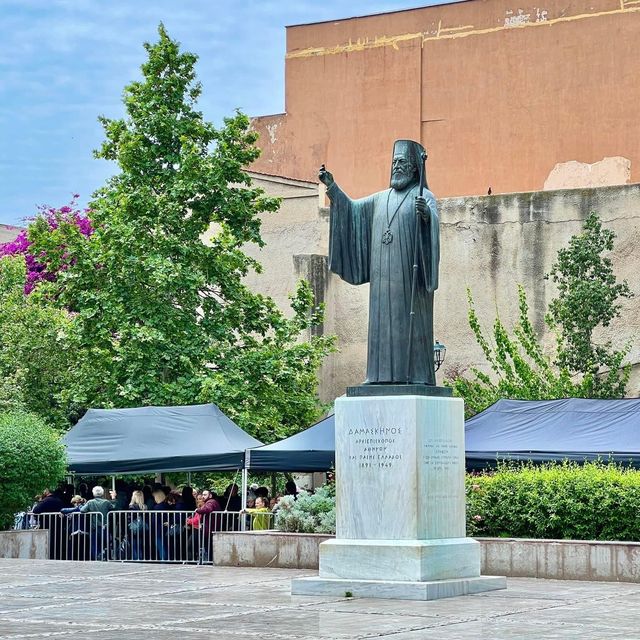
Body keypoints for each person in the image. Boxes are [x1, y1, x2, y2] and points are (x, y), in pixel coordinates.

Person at [319, 139, 440, 385]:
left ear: (415, 168)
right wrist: (332, 188)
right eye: (394, 162)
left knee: (410, 324)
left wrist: (427, 217)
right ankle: (377, 377)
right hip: (381, 283)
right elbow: (351, 212)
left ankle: (415, 376)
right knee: (380, 326)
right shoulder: (379, 199)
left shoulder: (424, 196)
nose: (396, 166)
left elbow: (434, 230)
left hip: (409, 282)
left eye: (402, 162)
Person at [79, 486, 115, 560]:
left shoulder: (90, 502)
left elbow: (82, 510)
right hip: (104, 527)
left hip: (94, 527)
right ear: (102, 493)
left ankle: (96, 559)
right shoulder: (106, 502)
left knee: (94, 545)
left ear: (93, 493)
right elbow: (113, 507)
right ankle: (107, 557)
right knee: (106, 543)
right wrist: (113, 499)